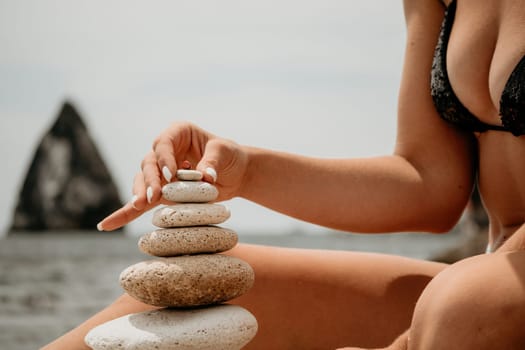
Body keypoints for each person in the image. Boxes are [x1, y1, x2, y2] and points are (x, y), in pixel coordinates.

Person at [43, 0, 525, 348]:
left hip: (478, 301)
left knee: (464, 304)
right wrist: (244, 169)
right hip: (477, 293)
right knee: (205, 291)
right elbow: (430, 185)